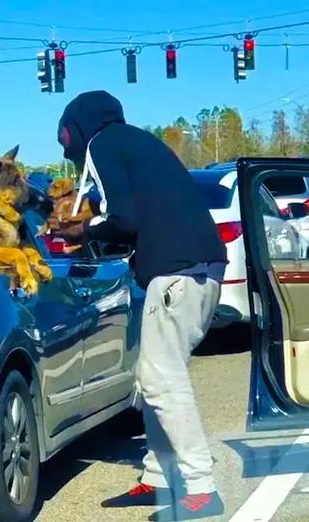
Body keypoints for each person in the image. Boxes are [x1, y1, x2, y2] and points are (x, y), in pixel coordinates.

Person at [53, 91, 227, 521]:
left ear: (73, 131)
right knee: (154, 374)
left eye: (65, 144)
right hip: (200, 270)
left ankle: (202, 487)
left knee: (161, 379)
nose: (69, 154)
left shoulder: (102, 145)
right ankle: (159, 476)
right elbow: (137, 221)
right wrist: (100, 230)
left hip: (177, 275)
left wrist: (83, 231)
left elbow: (123, 219)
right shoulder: (139, 142)